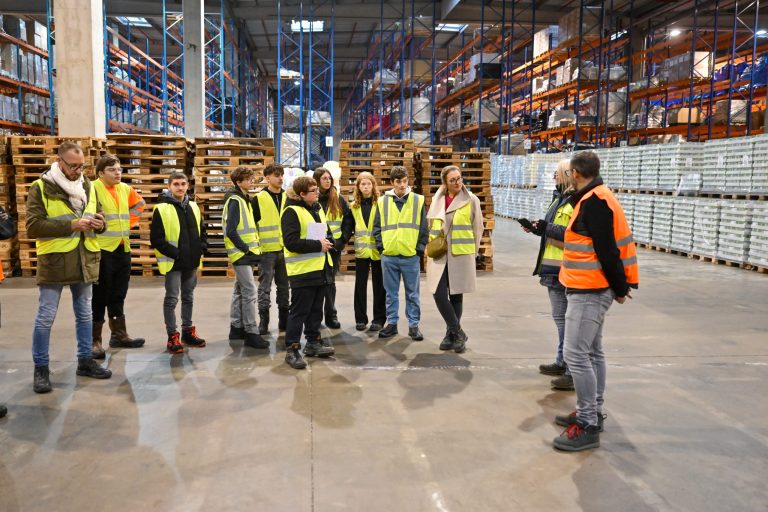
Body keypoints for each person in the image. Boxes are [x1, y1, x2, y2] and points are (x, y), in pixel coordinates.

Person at [552, 151, 639, 452]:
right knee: (591, 352)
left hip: (590, 290)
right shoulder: (594, 197)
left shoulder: (595, 202)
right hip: (588, 287)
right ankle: (592, 411)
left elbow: (608, 250)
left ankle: (588, 424)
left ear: (576, 173)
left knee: (576, 355)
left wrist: (620, 287)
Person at [26, 141, 112, 393]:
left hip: (84, 259)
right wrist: (72, 225)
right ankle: (41, 369)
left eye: (81, 166)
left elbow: (99, 215)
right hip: (55, 261)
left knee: (85, 314)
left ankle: (85, 360)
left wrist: (100, 224)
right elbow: (33, 226)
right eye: (73, 166)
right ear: (59, 161)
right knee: (45, 317)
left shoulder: (88, 186)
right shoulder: (41, 187)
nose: (77, 171)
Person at [524, 160, 576, 390]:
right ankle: (561, 361)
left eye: (557, 173)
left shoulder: (575, 201)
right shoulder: (559, 198)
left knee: (567, 321)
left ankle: (572, 370)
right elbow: (553, 229)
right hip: (553, 267)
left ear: (567, 174)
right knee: (560, 318)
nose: (554, 177)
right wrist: (538, 229)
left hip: (565, 268)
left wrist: (546, 227)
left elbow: (574, 234)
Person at [90, 154, 146, 359]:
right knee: (99, 296)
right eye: (112, 170)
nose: (118, 173)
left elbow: (140, 204)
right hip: (101, 249)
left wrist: (127, 223)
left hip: (122, 248)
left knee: (118, 293)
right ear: (100, 173)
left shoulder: (125, 189)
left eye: (119, 169)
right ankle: (94, 341)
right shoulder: (91, 189)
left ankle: (119, 335)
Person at [425, 165, 484, 353]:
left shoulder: (471, 200)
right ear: (445, 183)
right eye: (453, 180)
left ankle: (450, 335)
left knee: (456, 294)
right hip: (439, 254)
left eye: (459, 178)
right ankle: (458, 332)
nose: (458, 182)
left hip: (461, 254)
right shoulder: (437, 200)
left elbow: (478, 228)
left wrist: (473, 253)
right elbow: (431, 225)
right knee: (439, 294)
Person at [281, 176, 335, 369]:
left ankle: (313, 342)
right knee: (299, 312)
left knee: (315, 310)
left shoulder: (317, 209)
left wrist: (330, 241)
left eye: (317, 190)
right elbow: (291, 242)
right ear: (302, 194)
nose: (317, 193)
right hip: (302, 271)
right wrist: (318, 245)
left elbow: (325, 234)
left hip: (320, 269)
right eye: (313, 191)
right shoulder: (291, 212)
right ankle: (292, 349)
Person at [150, 172, 208, 354]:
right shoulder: (161, 208)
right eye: (176, 184)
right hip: (173, 262)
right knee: (172, 299)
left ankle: (187, 332)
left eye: (183, 184)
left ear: (188, 186)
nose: (180, 187)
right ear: (169, 186)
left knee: (188, 297)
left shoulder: (193, 206)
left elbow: (202, 231)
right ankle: (172, 336)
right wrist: (176, 254)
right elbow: (156, 239)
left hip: (191, 261)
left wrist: (201, 248)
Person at [373, 165, 428, 341]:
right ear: (392, 182)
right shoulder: (382, 201)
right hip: (389, 256)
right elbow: (377, 227)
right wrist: (382, 247)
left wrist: (419, 250)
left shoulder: (418, 200)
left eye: (404, 181)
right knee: (391, 294)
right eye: (398, 182)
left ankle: (413, 326)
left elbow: (424, 228)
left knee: (413, 294)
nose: (402, 185)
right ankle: (392, 324)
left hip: (410, 256)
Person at [223, 167, 268, 349]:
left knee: (239, 290)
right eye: (248, 179)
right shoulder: (235, 200)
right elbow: (231, 230)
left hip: (243, 253)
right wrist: (246, 249)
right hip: (241, 253)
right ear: (238, 182)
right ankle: (251, 332)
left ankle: (236, 328)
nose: (251, 182)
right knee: (249, 291)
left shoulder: (243, 199)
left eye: (251, 179)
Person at [251, 163, 289, 335]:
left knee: (284, 288)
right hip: (266, 251)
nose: (280, 178)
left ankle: (284, 321)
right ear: (267, 178)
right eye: (276, 175)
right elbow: (253, 225)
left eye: (281, 175)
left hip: (285, 250)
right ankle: (263, 322)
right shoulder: (258, 199)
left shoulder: (288, 197)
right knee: (264, 288)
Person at [313, 167, 353, 329]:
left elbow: (348, 220)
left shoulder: (338, 198)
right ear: (317, 181)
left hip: (334, 248)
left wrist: (342, 240)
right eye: (324, 178)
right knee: (316, 283)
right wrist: (316, 244)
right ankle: (315, 317)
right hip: (316, 248)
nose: (328, 181)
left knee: (330, 282)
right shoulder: (312, 199)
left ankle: (331, 316)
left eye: (329, 178)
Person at [348, 172, 386, 332]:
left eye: (368, 184)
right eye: (363, 184)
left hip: (378, 251)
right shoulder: (353, 206)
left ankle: (379, 320)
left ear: (373, 186)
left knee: (379, 286)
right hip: (362, 251)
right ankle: (360, 319)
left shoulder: (381, 204)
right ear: (358, 187)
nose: (366, 187)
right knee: (360, 286)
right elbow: (348, 227)